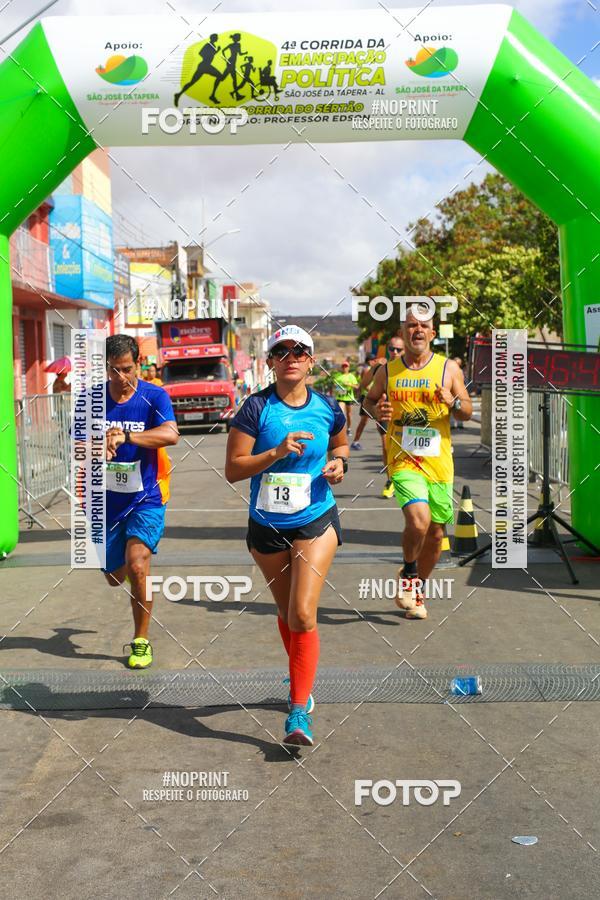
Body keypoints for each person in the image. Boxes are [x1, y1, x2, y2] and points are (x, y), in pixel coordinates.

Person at [225, 325, 349, 746]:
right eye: (282, 351)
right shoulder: (255, 409)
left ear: (310, 360)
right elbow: (234, 469)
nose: (291, 356)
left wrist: (339, 464)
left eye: (300, 351)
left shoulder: (328, 407)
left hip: (315, 516)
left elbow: (342, 445)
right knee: (287, 614)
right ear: (271, 361)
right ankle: (301, 675)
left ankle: (298, 713)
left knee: (303, 613)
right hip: (267, 524)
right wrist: (275, 453)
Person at [365, 309, 472, 619]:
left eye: (424, 326)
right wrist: (378, 411)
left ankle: (416, 590)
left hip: (439, 463)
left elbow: (466, 410)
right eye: (412, 325)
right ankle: (409, 572)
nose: (418, 331)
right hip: (403, 459)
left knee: (436, 535)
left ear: (432, 333)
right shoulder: (388, 371)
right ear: (403, 330)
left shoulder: (448, 369)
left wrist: (450, 401)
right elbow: (369, 401)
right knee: (418, 521)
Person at [102, 335, 179, 668]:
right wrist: (96, 448)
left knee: (137, 565)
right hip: (106, 503)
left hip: (146, 497)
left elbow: (171, 434)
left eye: (128, 369)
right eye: (115, 370)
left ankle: (141, 641)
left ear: (139, 364)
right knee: (115, 576)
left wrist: (129, 436)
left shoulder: (154, 396)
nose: (121, 378)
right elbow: (76, 446)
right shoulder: (92, 400)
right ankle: (135, 576)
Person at [381, 336, 404, 499]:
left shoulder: (411, 369)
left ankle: (401, 480)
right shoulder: (382, 369)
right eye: (392, 349)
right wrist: (376, 406)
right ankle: (390, 479)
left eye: (398, 350)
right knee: (386, 448)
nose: (394, 352)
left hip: (406, 419)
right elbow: (364, 391)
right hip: (386, 416)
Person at [331, 360, 359, 434]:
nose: (344, 368)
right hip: (340, 398)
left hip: (349, 398)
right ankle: (340, 430)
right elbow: (334, 387)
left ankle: (349, 428)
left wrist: (349, 384)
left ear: (348, 367)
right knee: (341, 413)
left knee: (349, 415)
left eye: (346, 366)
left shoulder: (351, 376)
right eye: (343, 366)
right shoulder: (338, 377)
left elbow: (356, 387)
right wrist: (338, 388)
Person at [451, 357, 465, 429]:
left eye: (459, 363)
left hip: (459, 392)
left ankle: (460, 424)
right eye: (457, 363)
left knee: (459, 408)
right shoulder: (450, 371)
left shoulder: (461, 371)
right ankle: (452, 424)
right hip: (452, 392)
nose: (458, 364)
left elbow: (462, 381)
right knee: (451, 408)